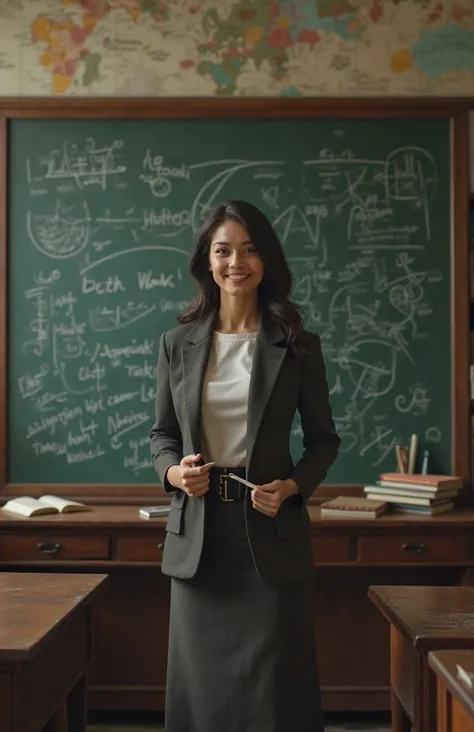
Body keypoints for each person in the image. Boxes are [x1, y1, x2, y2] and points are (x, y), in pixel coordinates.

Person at [149, 200, 340, 732]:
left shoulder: (298, 347)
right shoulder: (176, 344)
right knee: (202, 699)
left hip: (270, 537)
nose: (237, 261)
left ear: (267, 261)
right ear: (207, 262)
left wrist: (294, 487)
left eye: (250, 249)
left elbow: (324, 441)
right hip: (200, 542)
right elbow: (162, 436)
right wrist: (172, 474)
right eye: (223, 250)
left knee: (274, 699)